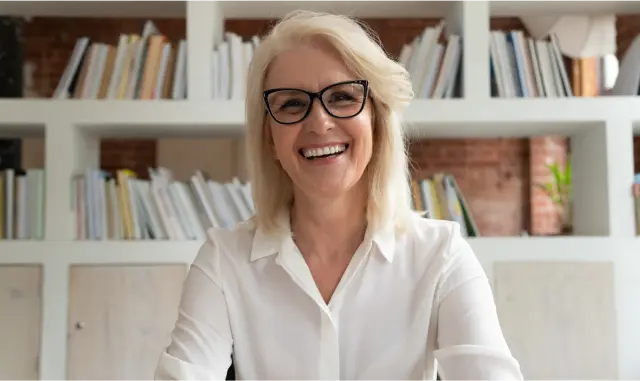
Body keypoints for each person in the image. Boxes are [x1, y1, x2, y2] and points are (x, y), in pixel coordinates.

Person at [154, 9, 524, 381]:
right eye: (292, 104)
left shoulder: (441, 255)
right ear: (270, 138)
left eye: (343, 97)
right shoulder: (224, 261)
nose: (319, 122)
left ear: (377, 120)